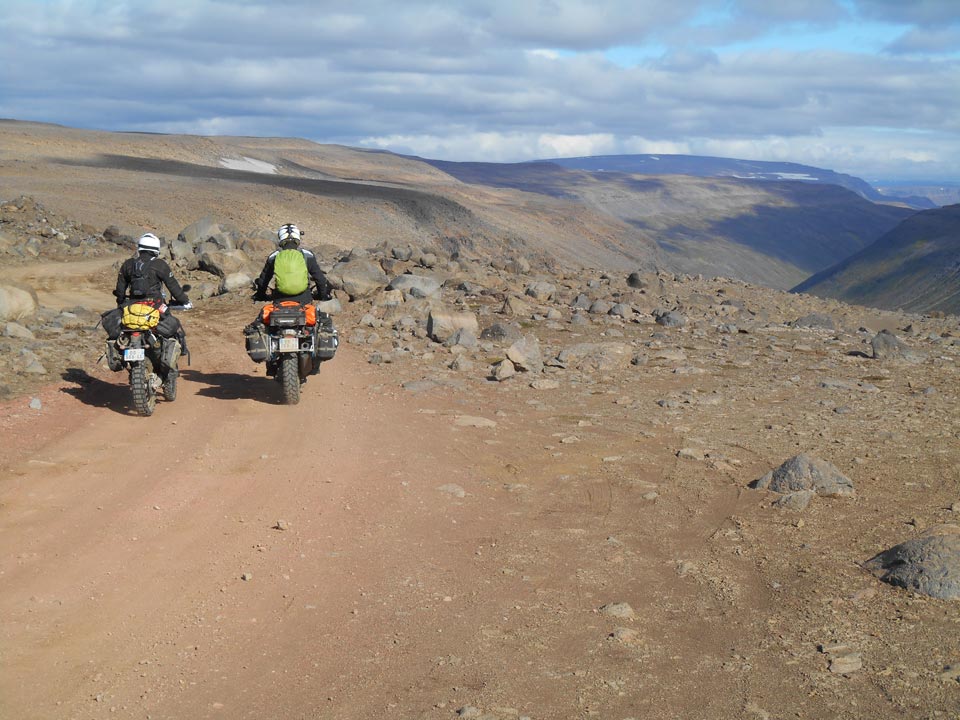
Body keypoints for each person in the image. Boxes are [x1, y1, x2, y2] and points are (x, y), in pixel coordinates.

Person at [108, 232, 192, 350]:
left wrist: (121, 303)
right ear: (156, 249)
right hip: (155, 305)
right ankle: (178, 353)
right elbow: (173, 286)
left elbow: (120, 290)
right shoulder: (160, 265)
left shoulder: (128, 264)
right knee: (174, 326)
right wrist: (184, 301)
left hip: (131, 306)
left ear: (140, 248)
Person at [244, 223, 331, 333]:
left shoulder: (274, 257)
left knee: (267, 327)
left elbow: (263, 281)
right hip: (304, 301)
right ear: (297, 238)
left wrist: (260, 295)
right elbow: (320, 280)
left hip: (280, 301)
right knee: (319, 326)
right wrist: (322, 295)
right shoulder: (307, 255)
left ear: (280, 238)